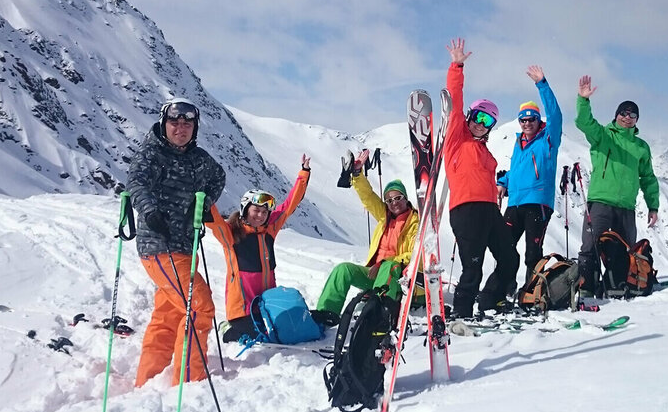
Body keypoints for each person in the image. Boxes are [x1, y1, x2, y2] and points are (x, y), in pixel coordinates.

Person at [127, 97, 225, 387]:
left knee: (169, 313)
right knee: (199, 305)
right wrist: (149, 210)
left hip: (185, 246)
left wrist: (205, 201)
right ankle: (190, 381)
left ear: (194, 127)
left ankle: (149, 380)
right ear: (163, 123)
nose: (180, 128)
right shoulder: (151, 154)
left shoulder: (199, 159)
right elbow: (135, 182)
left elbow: (218, 177)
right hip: (158, 245)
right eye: (174, 122)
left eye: (187, 123)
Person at [444, 38, 520, 317]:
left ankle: (491, 299)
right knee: (472, 265)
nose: (479, 124)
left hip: (489, 211)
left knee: (510, 258)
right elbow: (455, 99)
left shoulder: (485, 151)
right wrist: (457, 65)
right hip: (466, 210)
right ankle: (462, 312)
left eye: (487, 121)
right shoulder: (456, 139)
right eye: (477, 117)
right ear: (469, 117)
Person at [206, 155, 311, 342]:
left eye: (264, 212)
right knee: (261, 337)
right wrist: (204, 197)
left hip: (268, 304)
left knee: (286, 330)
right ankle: (228, 328)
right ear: (245, 210)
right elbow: (214, 221)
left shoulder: (269, 230)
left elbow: (289, 206)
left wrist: (304, 173)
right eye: (256, 210)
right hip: (242, 309)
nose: (260, 215)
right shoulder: (230, 234)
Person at [311, 149, 419, 327]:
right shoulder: (384, 216)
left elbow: (415, 255)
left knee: (390, 265)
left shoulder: (415, 221)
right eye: (389, 200)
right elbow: (368, 196)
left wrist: (384, 263)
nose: (394, 203)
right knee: (343, 269)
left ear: (405, 198)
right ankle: (327, 312)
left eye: (398, 197)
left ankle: (380, 310)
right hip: (374, 275)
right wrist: (357, 173)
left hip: (397, 278)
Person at [574, 75, 660, 298]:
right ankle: (587, 289)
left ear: (637, 119)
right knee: (590, 247)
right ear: (616, 115)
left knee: (626, 251)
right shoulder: (604, 136)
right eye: (624, 113)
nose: (627, 118)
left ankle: (619, 286)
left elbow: (648, 178)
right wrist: (583, 100)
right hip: (600, 201)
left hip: (626, 206)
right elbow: (584, 123)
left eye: (632, 115)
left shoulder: (641, 147)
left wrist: (653, 206)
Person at [496, 65, 563, 287]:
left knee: (532, 253)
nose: (526, 124)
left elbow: (555, 115)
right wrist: (503, 182)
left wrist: (542, 84)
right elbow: (517, 170)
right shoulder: (518, 143)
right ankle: (503, 290)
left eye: (531, 119)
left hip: (537, 202)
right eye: (523, 120)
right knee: (503, 248)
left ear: (538, 120)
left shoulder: (548, 140)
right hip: (514, 202)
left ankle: (531, 294)